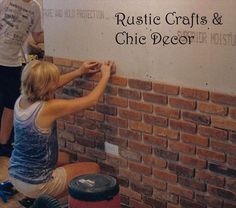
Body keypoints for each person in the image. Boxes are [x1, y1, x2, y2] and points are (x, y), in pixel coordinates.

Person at [8, 59, 114, 198]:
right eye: (52, 82)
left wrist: (79, 71)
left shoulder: (21, 100)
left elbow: (51, 84)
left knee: (65, 159)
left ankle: (41, 198)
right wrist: (105, 75)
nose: (56, 83)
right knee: (94, 169)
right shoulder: (48, 108)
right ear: (44, 86)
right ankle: (47, 201)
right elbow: (91, 100)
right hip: (37, 184)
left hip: (15, 173)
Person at [0, 0, 44, 157]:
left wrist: (58, 35)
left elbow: (37, 35)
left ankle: (3, 144)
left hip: (13, 62)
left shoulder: (35, 7)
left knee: (11, 103)